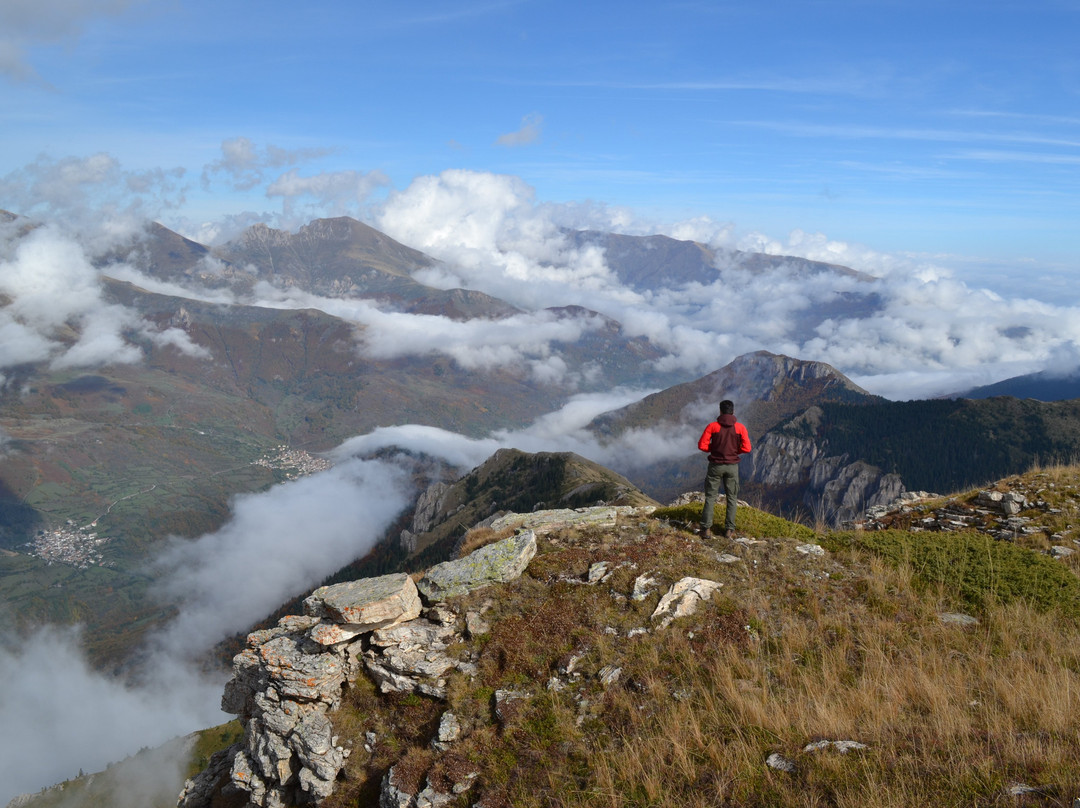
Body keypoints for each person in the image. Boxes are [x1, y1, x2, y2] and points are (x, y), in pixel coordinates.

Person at [697, 399, 752, 538]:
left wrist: (714, 449)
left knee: (710, 497)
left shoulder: (712, 426)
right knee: (732, 498)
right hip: (732, 466)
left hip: (715, 466)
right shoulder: (740, 428)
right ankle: (729, 530)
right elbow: (747, 448)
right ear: (733, 411)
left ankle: (706, 529)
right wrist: (734, 451)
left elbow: (702, 446)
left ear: (720, 411)